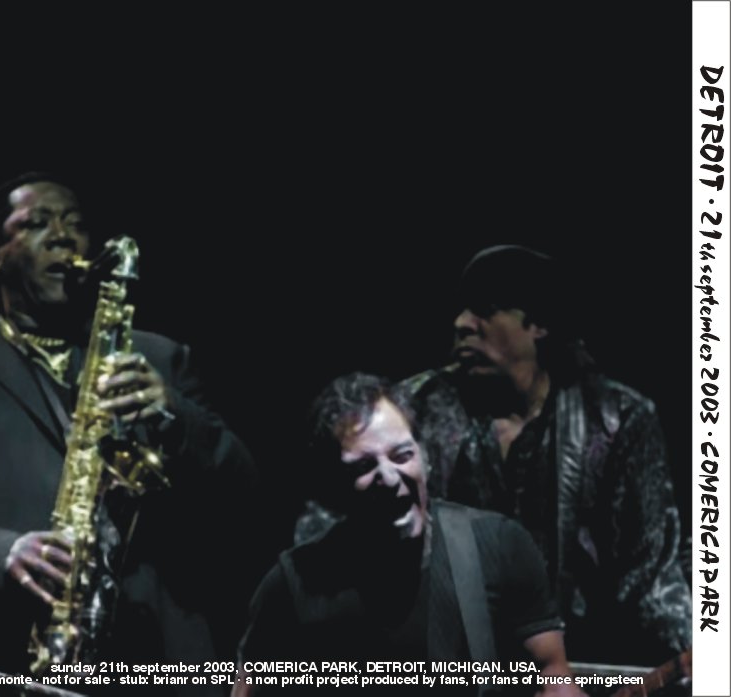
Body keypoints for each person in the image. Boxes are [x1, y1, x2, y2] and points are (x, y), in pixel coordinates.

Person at [0, 173, 256, 696]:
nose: (63, 236)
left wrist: (174, 417)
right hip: (7, 661)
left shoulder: (161, 359)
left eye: (75, 224)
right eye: (37, 223)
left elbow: (244, 496)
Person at [412, 245, 690, 666]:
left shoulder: (617, 418)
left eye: (485, 309)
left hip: (579, 667)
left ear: (538, 324)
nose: (462, 324)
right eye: (462, 310)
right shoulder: (416, 410)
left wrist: (695, 656)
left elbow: (652, 574)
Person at [238, 374, 580, 697]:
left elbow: (553, 679)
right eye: (363, 466)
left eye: (402, 455)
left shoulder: (498, 547)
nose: (389, 477)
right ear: (333, 487)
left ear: (425, 458)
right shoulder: (294, 584)